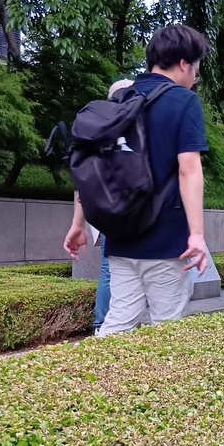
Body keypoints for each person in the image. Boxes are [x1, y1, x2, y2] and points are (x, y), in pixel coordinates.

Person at [95, 24, 209, 335]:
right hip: (165, 239)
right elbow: (188, 169)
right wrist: (196, 235)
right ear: (184, 63)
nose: (195, 77)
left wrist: (79, 224)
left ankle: (93, 368)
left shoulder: (121, 98)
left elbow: (96, 164)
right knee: (167, 328)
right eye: (196, 68)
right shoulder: (183, 100)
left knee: (118, 320)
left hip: (120, 233)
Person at [63, 78, 134, 332]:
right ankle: (106, 324)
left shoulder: (96, 130)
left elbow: (84, 181)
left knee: (110, 270)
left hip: (106, 214)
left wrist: (78, 223)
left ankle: (102, 325)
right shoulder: (133, 131)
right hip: (127, 215)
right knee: (119, 271)